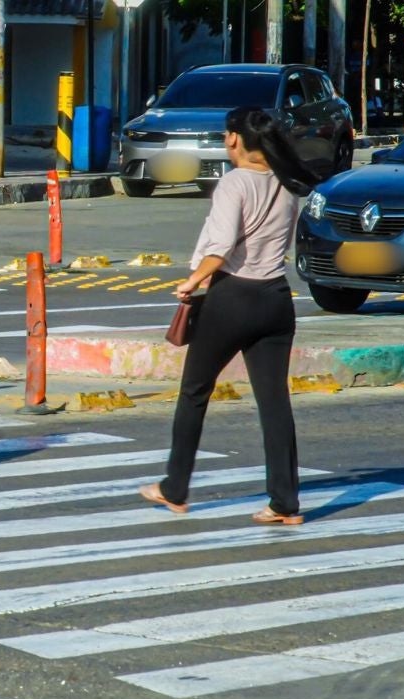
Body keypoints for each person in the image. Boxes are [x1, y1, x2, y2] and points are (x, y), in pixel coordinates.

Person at [139, 107, 319, 525]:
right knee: (274, 401)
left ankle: (175, 488)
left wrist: (192, 283)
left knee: (195, 392)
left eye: (226, 135)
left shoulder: (234, 183)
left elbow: (219, 248)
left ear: (235, 139)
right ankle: (285, 503)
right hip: (276, 299)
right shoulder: (287, 184)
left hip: (233, 297)